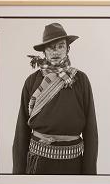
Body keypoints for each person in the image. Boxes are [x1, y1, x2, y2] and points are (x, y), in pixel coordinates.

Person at [12, 23, 98, 175]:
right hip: (38, 162)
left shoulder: (81, 80)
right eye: (51, 47)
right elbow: (22, 130)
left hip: (73, 164)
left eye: (60, 46)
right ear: (44, 51)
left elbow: (91, 129)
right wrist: (18, 174)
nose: (56, 51)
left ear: (67, 49)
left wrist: (89, 174)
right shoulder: (32, 81)